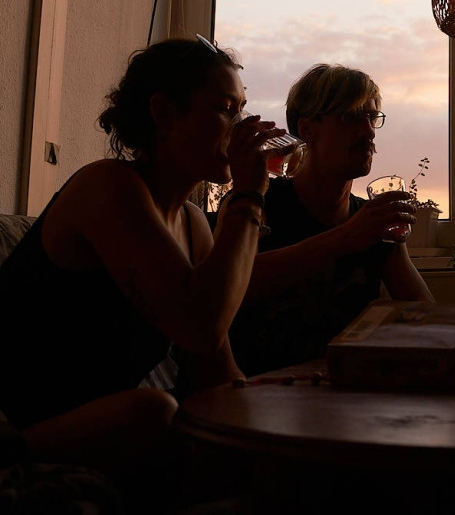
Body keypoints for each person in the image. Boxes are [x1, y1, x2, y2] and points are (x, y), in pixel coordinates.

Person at [0, 36, 288, 509]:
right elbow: (200, 326)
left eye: (241, 111)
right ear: (163, 112)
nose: (239, 128)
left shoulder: (192, 222)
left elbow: (215, 368)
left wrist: (281, 406)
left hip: (110, 424)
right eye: (224, 110)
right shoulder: (106, 186)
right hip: (26, 425)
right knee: (154, 412)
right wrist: (249, 195)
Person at [228, 63, 434, 377]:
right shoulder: (259, 202)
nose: (368, 132)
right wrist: (345, 238)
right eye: (352, 117)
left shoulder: (373, 221)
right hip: (261, 390)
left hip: (346, 391)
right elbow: (230, 289)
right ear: (307, 129)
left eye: (372, 118)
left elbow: (429, 319)